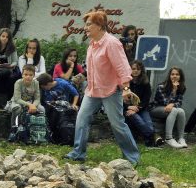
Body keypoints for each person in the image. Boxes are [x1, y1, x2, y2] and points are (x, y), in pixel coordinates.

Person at [64, 10, 140, 164]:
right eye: (85, 24)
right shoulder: (92, 45)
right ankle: (78, 153)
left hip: (111, 91)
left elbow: (123, 68)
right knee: (82, 119)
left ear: (99, 25)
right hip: (92, 91)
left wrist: (126, 89)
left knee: (117, 124)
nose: (85, 27)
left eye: (88, 24)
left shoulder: (112, 43)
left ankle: (132, 157)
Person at [124, 60, 163, 147]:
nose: (136, 71)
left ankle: (149, 142)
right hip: (128, 109)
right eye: (133, 68)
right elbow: (123, 98)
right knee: (140, 122)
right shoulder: (126, 83)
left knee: (149, 124)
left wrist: (137, 108)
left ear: (141, 70)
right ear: (130, 70)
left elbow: (146, 100)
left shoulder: (145, 83)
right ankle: (154, 138)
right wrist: (129, 107)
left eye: (138, 69)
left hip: (142, 109)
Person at [150, 66, 187, 149]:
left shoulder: (182, 87)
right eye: (172, 74)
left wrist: (173, 104)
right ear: (169, 76)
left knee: (181, 111)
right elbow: (166, 104)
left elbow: (179, 103)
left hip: (169, 109)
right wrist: (174, 90)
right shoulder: (161, 87)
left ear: (180, 76)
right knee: (173, 110)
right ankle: (169, 138)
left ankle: (181, 138)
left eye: (177, 74)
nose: (174, 76)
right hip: (156, 108)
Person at [8, 65, 44, 137]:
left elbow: (37, 98)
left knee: (41, 109)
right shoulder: (18, 82)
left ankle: (39, 131)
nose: (28, 76)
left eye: (30, 75)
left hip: (30, 102)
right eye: (26, 74)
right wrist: (29, 105)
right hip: (17, 102)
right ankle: (13, 129)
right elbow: (17, 99)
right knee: (17, 108)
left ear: (34, 75)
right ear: (22, 75)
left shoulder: (36, 83)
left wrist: (33, 105)